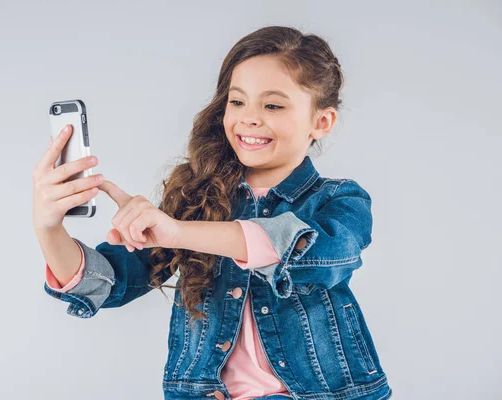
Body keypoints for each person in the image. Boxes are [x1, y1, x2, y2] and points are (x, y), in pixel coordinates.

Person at [32, 25, 393, 400]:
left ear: (321, 122)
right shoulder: (196, 199)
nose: (249, 118)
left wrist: (178, 232)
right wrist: (47, 227)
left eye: (273, 105)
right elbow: (106, 284)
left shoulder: (342, 200)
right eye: (237, 102)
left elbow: (306, 253)